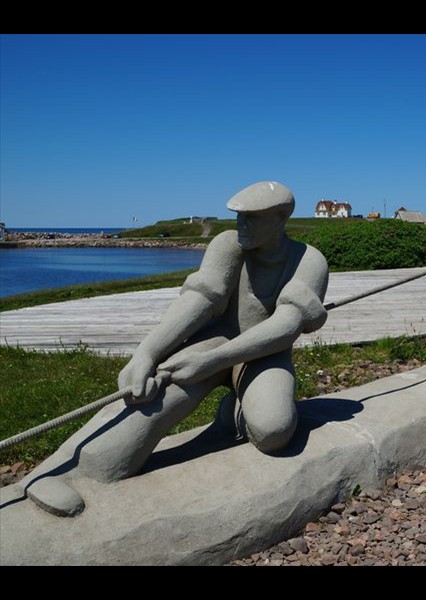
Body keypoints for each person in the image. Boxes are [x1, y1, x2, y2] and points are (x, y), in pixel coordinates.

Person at [22, 181, 329, 517]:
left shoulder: (309, 260)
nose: (241, 224)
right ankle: (60, 469)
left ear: (281, 217)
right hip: (215, 341)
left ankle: (236, 413)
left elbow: (285, 327)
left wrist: (212, 362)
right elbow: (200, 300)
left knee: (273, 432)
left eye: (252, 218)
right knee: (149, 399)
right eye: (239, 217)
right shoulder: (228, 245)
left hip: (262, 354)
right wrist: (147, 353)